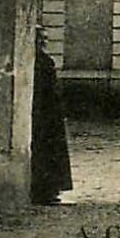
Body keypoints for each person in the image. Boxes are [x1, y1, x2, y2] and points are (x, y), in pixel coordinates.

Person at [30, 33, 72, 205]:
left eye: (45, 39)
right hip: (46, 115)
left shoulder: (42, 61)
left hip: (43, 114)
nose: (44, 42)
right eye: (41, 39)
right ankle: (45, 192)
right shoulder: (45, 62)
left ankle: (45, 190)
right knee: (48, 153)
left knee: (45, 153)